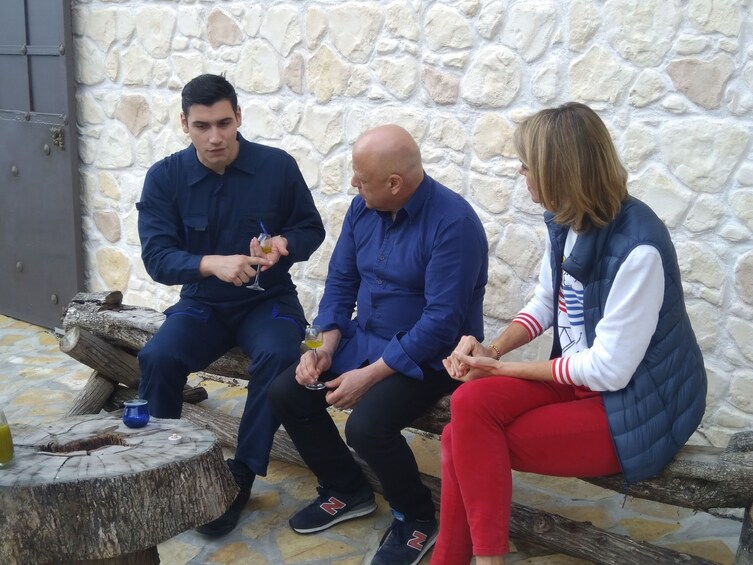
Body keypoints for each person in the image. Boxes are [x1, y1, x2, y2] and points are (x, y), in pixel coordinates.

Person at [430, 102, 707, 565]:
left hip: (635, 403)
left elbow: (611, 369)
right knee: (468, 405)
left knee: (462, 439)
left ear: (557, 171)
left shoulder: (639, 248)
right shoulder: (566, 221)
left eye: (527, 165)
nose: (522, 174)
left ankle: (473, 559)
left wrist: (503, 369)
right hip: (579, 379)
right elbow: (546, 303)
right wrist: (490, 349)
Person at [268, 124, 489, 565]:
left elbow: (442, 324)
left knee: (366, 427)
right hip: (361, 336)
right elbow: (339, 285)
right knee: (286, 392)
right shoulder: (360, 209)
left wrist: (369, 376)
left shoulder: (454, 224)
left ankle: (417, 518)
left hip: (431, 356)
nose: (353, 184)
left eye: (361, 178)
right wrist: (321, 345)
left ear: (395, 184)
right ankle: (348, 490)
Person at [136, 73, 325, 537]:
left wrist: (284, 242)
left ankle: (241, 472)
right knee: (157, 356)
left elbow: (311, 229)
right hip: (202, 303)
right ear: (185, 124)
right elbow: (157, 258)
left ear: (239, 117)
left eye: (224, 123)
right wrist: (209, 264)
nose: (215, 137)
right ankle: (166, 465)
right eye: (202, 126)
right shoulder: (165, 178)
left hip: (268, 301)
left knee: (281, 356)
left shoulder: (278, 167)